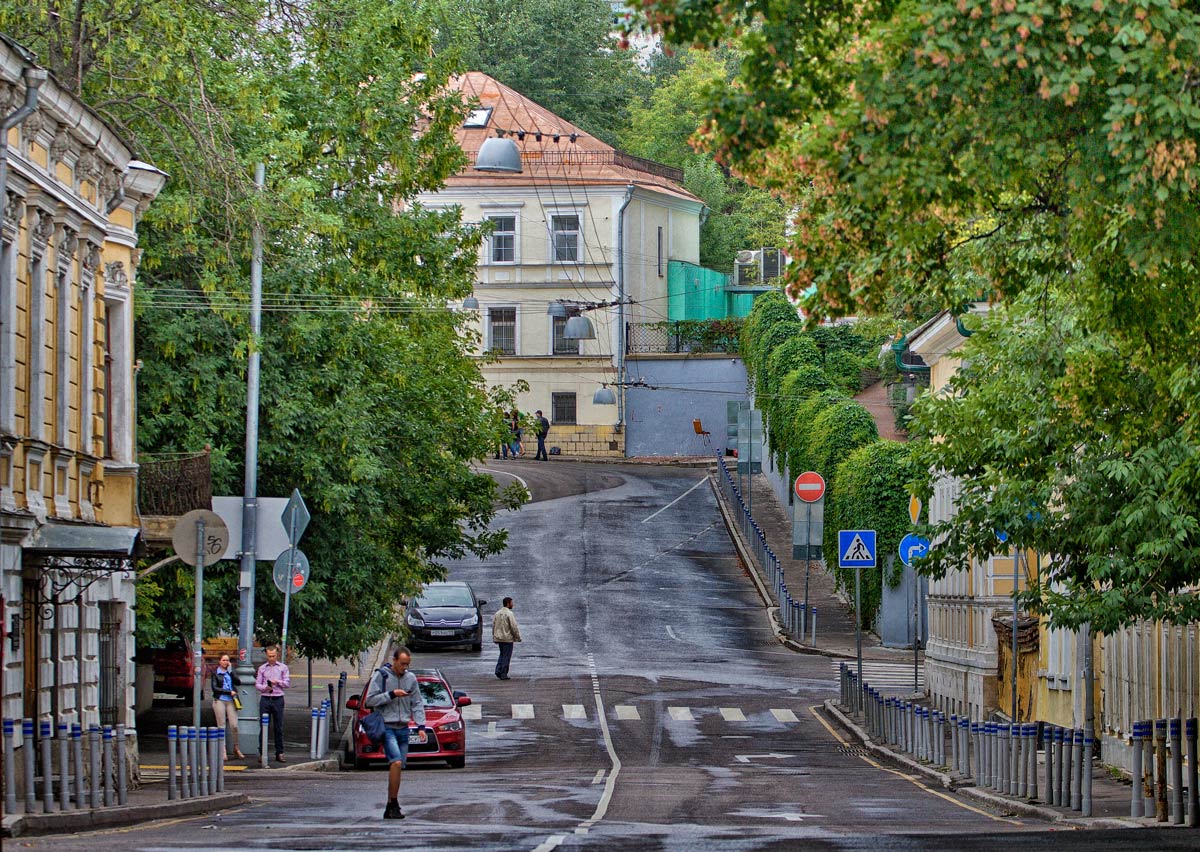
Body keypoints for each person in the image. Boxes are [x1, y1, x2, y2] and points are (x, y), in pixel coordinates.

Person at [364, 646, 427, 820]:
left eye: (407, 664)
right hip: (388, 726)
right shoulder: (381, 676)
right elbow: (370, 700)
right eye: (401, 664)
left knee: (399, 767)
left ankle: (392, 804)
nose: (404, 668)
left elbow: (417, 703)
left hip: (404, 728)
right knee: (396, 762)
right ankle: (392, 803)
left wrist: (421, 726)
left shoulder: (411, 678)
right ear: (394, 660)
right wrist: (391, 694)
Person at [255, 645, 290, 764]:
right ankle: (262, 753)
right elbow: (257, 684)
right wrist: (266, 687)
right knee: (264, 726)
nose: (271, 658)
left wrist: (278, 682)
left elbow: (287, 683)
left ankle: (279, 752)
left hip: (278, 698)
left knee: (278, 727)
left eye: (273, 656)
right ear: (266, 655)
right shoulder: (262, 668)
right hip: (265, 698)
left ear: (277, 655)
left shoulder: (283, 668)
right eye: (269, 656)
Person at [210, 654, 244, 759]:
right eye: (223, 660)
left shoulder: (230, 672)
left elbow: (238, 682)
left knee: (234, 725)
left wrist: (231, 671)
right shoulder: (215, 673)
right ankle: (223, 749)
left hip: (231, 701)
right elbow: (215, 688)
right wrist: (229, 692)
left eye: (227, 660)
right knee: (221, 725)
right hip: (220, 699)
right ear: (219, 662)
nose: (225, 662)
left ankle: (236, 748)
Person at [492, 597, 522, 680]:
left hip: (499, 638)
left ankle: (498, 670)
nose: (513, 604)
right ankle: (503, 673)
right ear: (508, 603)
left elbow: (494, 626)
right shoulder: (509, 614)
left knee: (502, 654)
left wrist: (494, 636)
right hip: (507, 638)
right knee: (506, 656)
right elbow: (513, 627)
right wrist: (517, 637)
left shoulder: (497, 613)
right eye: (512, 603)